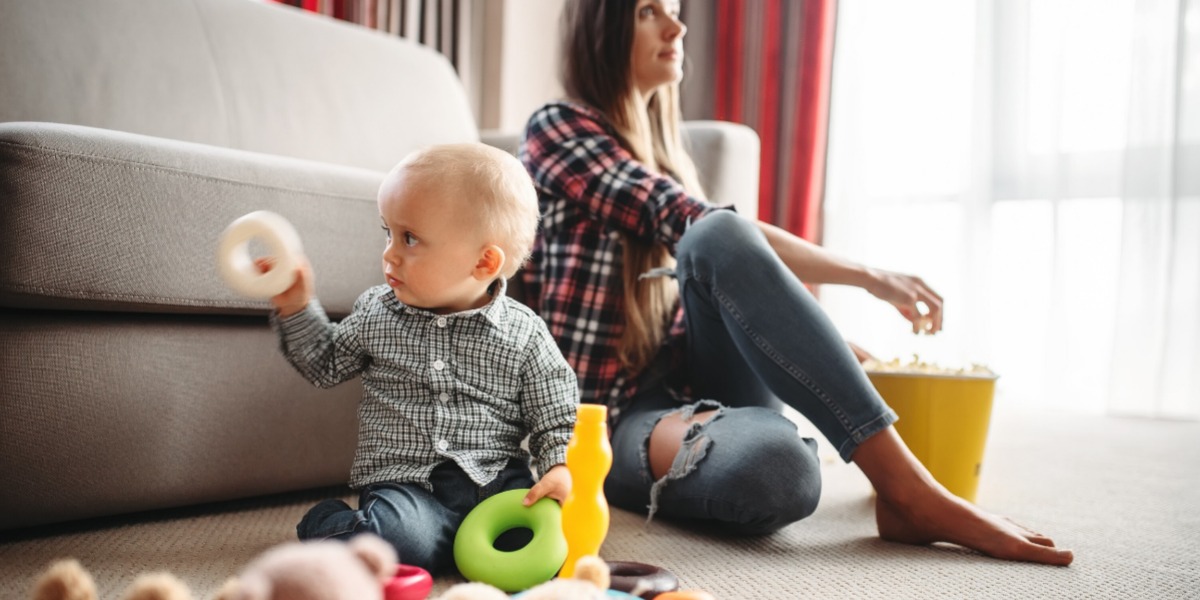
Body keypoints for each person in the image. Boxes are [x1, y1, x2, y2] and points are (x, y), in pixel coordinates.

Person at [517, 0, 1073, 565]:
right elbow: (693, 221)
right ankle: (909, 491)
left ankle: (911, 492)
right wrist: (870, 277)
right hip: (608, 416)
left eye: (676, 9)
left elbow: (698, 302)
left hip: (689, 386)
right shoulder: (556, 128)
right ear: (602, 28)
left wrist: (814, 345)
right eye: (647, 11)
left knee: (716, 238)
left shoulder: (670, 155)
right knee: (780, 469)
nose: (677, 25)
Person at [261, 143, 579, 573]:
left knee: (544, 545)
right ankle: (327, 523)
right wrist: (296, 306)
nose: (390, 253)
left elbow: (554, 408)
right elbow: (324, 361)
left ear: (484, 262)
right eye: (387, 232)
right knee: (396, 543)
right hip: (410, 488)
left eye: (409, 238)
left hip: (498, 481)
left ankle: (453, 546)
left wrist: (556, 465)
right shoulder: (377, 313)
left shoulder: (524, 332)